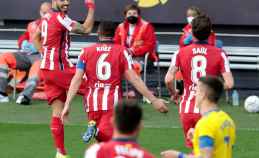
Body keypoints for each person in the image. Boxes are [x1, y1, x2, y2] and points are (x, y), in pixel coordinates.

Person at [61, 21, 168, 144]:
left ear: (99, 33)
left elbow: (77, 79)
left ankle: (96, 131)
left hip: (91, 103)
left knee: (102, 145)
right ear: (115, 34)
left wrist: (67, 104)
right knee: (114, 142)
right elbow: (134, 78)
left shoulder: (85, 52)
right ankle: (96, 131)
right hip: (112, 102)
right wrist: (154, 100)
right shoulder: (122, 51)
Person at [33, 0, 95, 157]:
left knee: (57, 111)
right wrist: (91, 7)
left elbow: (35, 37)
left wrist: (45, 55)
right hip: (60, 68)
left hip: (47, 69)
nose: (66, 2)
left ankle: (60, 153)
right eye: (62, 0)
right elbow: (87, 29)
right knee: (95, 88)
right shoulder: (60, 17)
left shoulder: (46, 17)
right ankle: (96, 128)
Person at [165, 15, 234, 148]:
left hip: (187, 109)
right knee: (210, 150)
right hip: (208, 110)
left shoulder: (180, 52)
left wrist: (175, 93)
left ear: (191, 31)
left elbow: (168, 79)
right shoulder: (219, 53)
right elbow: (229, 83)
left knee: (195, 150)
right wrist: (211, 89)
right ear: (210, 32)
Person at [161, 76, 236, 158]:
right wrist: (198, 135)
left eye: (196, 91)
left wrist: (178, 155)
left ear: (203, 94)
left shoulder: (205, 124)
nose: (195, 95)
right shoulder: (227, 119)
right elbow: (219, 147)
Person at [0, 2, 51, 105]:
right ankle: (1, 94)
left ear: (52, 12)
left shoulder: (57, 25)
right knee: (3, 57)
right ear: (40, 12)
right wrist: (22, 43)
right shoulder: (32, 24)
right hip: (26, 55)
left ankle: (25, 96)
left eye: (47, 12)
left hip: (41, 56)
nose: (44, 14)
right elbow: (25, 36)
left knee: (37, 66)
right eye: (43, 12)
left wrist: (39, 47)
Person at [84, 101, 155, 158]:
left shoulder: (95, 151)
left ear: (112, 121)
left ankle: (97, 132)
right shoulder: (146, 156)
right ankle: (97, 132)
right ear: (140, 126)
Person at [114, 4, 158, 87]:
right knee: (113, 63)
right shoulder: (120, 27)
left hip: (143, 56)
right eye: (129, 14)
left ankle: (135, 91)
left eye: (134, 13)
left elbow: (149, 46)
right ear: (125, 16)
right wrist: (123, 52)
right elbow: (116, 43)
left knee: (134, 66)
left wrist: (132, 51)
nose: (132, 16)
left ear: (138, 15)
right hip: (124, 55)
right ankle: (117, 90)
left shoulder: (147, 26)